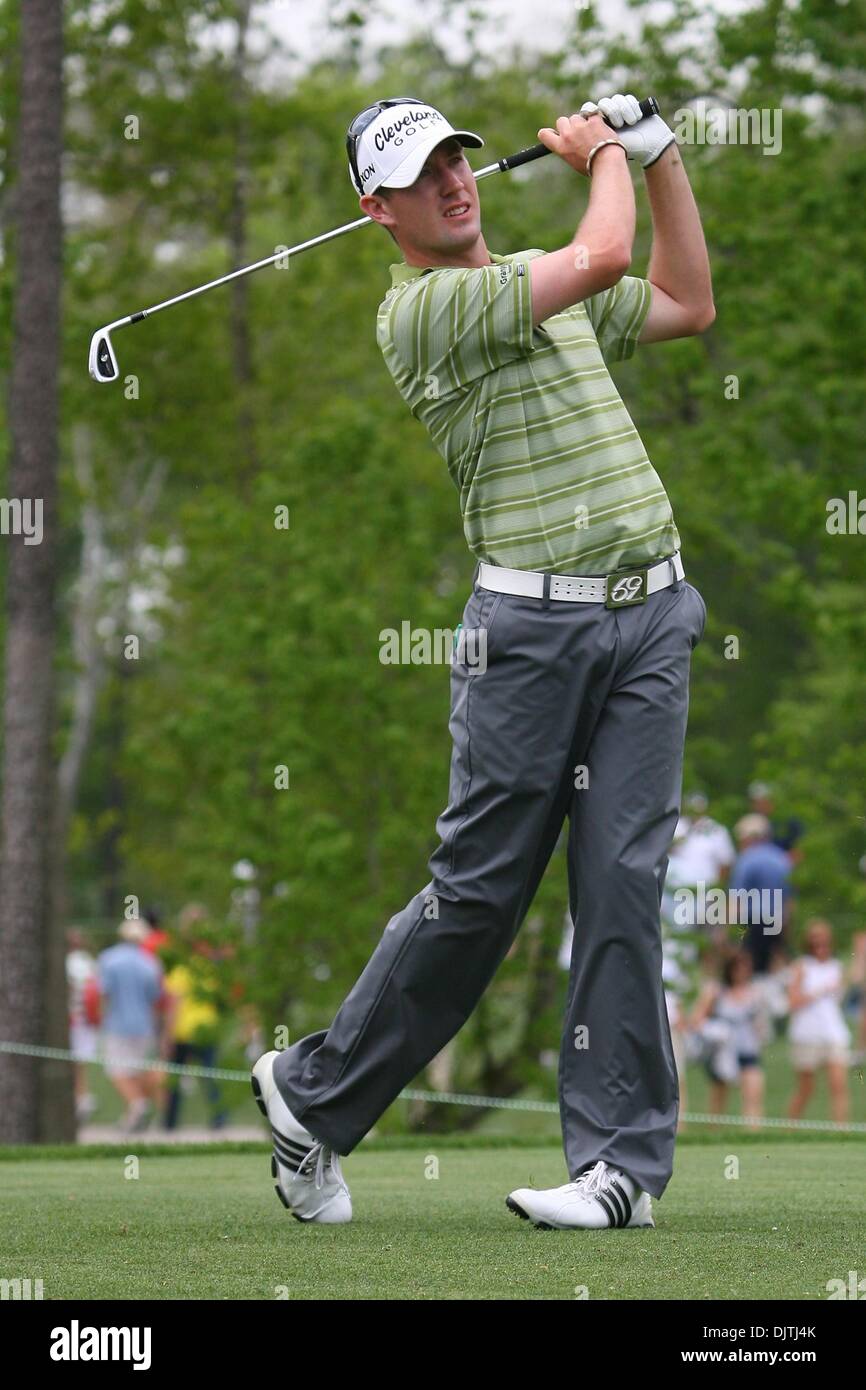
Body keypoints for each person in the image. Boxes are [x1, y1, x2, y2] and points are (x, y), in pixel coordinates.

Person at [252, 93, 714, 1229]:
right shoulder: (425, 314)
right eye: (419, 176)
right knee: (476, 905)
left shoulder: (535, 284)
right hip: (528, 637)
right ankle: (308, 1097)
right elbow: (600, 250)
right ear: (378, 210)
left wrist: (654, 158)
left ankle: (616, 1170)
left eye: (457, 159)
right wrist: (601, 150)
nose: (452, 182)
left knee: (621, 891)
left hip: (650, 615)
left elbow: (684, 300)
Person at [98, 919, 165, 1132]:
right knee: (136, 1069)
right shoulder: (150, 962)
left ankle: (138, 1105)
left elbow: (103, 993)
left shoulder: (108, 959)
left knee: (117, 1070)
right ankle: (135, 1113)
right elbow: (156, 998)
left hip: (117, 1023)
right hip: (144, 1025)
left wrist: (100, 1018)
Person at [688, 950, 768, 1127]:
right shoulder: (716, 992)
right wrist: (716, 1030)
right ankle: (715, 1136)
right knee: (719, 1099)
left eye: (746, 968)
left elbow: (760, 1024)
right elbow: (696, 1020)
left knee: (753, 1094)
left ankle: (755, 1137)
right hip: (722, 1053)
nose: (742, 972)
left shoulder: (754, 992)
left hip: (748, 1049)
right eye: (738, 968)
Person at [787, 920, 850, 1124]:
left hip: (833, 1033)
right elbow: (793, 1001)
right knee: (806, 1089)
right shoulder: (802, 966)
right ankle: (789, 1128)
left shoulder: (836, 966)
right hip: (807, 1034)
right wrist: (819, 991)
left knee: (839, 1085)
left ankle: (842, 1132)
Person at [729, 813, 791, 977]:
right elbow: (788, 899)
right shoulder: (781, 859)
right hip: (776, 920)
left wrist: (731, 930)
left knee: (751, 967)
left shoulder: (747, 859)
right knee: (771, 967)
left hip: (753, 922)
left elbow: (736, 897)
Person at [66, 928, 100, 1122]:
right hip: (86, 1018)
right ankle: (82, 1095)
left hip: (74, 1017)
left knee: (73, 1061)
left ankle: (80, 1097)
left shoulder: (67, 962)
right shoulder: (88, 961)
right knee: (80, 1062)